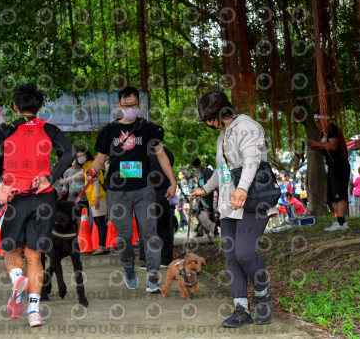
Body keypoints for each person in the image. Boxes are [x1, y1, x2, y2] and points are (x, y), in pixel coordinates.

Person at [0, 83, 75, 327]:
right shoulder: (49, 129)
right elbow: (70, 152)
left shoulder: (6, 128)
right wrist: (51, 178)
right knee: (35, 256)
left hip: (14, 197)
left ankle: (17, 277)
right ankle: (33, 312)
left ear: (15, 106)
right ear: (40, 107)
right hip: (43, 198)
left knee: (12, 252)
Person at [190, 91, 276, 328]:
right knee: (231, 256)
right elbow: (223, 169)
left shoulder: (247, 127)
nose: (208, 123)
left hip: (252, 199)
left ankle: (263, 297)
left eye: (209, 118)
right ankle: (241, 308)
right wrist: (205, 189)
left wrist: (242, 189)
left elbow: (251, 161)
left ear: (219, 113)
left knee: (245, 253)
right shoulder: (223, 134)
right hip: (230, 204)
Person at [85, 86, 177, 294]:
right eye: (126, 106)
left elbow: (161, 155)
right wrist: (91, 173)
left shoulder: (148, 129)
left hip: (144, 189)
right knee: (125, 235)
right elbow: (99, 159)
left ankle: (152, 277)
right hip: (117, 192)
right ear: (119, 105)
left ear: (139, 104)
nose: (130, 109)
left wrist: (172, 181)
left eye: (134, 105)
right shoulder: (109, 131)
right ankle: (128, 266)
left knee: (150, 232)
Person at [307, 111, 351, 231]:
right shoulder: (324, 134)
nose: (317, 125)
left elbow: (333, 146)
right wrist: (316, 148)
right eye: (315, 123)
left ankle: (341, 222)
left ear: (324, 120)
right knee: (332, 195)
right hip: (331, 166)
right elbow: (326, 151)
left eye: (318, 122)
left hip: (339, 166)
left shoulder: (332, 129)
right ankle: (339, 220)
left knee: (339, 194)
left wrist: (316, 143)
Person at [138, 146, 175, 267]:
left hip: (144, 194)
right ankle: (165, 258)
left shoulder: (140, 152)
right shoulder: (167, 152)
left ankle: (146, 258)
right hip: (162, 193)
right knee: (164, 228)